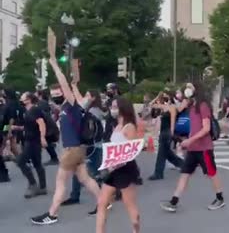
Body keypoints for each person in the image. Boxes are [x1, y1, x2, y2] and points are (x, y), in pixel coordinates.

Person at [31, 32, 100, 225]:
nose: (54, 94)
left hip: (72, 150)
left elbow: (63, 82)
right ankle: (104, 201)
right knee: (85, 179)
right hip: (76, 149)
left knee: (61, 182)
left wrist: (53, 63)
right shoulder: (69, 106)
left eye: (57, 92)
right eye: (53, 92)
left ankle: (52, 214)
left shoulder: (71, 104)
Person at [160, 82, 225, 212]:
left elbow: (206, 129)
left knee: (211, 173)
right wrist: (186, 140)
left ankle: (220, 198)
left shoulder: (203, 105)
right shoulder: (191, 106)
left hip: (204, 148)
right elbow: (192, 127)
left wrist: (190, 140)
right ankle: (174, 201)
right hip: (193, 148)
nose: (187, 90)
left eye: (190, 88)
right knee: (184, 173)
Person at [61, 83, 107, 215]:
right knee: (79, 171)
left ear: (93, 98)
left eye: (87, 95)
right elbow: (79, 100)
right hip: (87, 144)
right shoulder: (88, 109)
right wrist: (74, 85)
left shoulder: (94, 111)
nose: (85, 97)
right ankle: (75, 196)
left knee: (96, 173)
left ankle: (108, 196)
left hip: (94, 145)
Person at [96, 97, 141, 233]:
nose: (112, 109)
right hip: (112, 169)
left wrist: (113, 165)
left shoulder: (130, 127)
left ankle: (136, 230)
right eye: (112, 106)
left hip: (125, 169)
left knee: (129, 205)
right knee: (102, 203)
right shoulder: (116, 126)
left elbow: (131, 152)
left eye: (115, 106)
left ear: (123, 108)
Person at [16, 92, 48, 198]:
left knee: (21, 162)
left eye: (22, 97)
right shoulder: (28, 111)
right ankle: (43, 187)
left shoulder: (34, 110)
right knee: (37, 163)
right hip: (30, 140)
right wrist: (17, 128)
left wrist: (42, 137)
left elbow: (41, 123)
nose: (21, 99)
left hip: (33, 141)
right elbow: (29, 126)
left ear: (28, 99)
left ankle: (33, 184)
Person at [148, 92, 184, 180]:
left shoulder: (172, 108)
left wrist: (171, 134)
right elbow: (151, 105)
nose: (164, 98)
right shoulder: (163, 107)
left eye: (166, 97)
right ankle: (184, 165)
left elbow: (172, 121)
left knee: (161, 153)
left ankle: (158, 173)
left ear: (170, 98)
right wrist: (158, 96)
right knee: (167, 153)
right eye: (163, 97)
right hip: (162, 131)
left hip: (167, 132)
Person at [37, 89, 60, 166]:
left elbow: (43, 114)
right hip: (48, 123)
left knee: (47, 142)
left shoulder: (41, 103)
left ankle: (54, 158)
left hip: (46, 124)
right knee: (47, 142)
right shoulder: (43, 102)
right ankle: (54, 158)